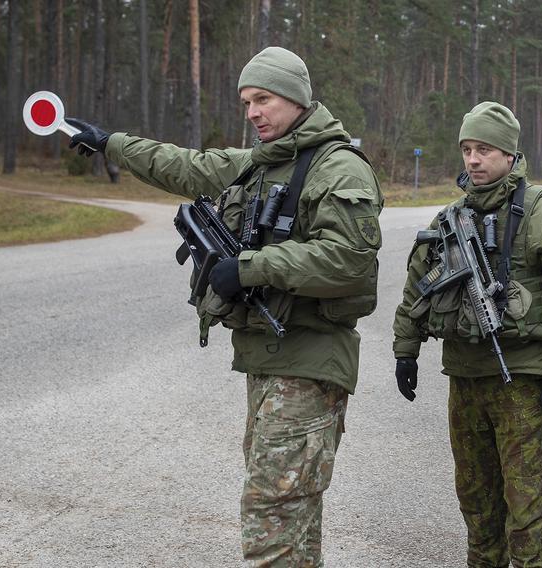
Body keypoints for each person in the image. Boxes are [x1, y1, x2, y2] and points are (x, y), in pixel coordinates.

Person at [67, 46, 383, 567]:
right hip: (269, 364)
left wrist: (250, 267)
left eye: (264, 99)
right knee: (290, 516)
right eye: (246, 102)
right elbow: (186, 166)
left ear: (297, 99)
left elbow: (347, 259)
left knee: (271, 516)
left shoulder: (337, 168)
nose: (253, 112)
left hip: (308, 364)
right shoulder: (261, 163)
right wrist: (109, 143)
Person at [392, 102, 542, 568]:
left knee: (523, 511)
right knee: (476, 505)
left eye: (483, 149)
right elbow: (415, 289)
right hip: (464, 381)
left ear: (509, 154)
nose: (472, 160)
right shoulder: (449, 218)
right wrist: (406, 350)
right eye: (466, 149)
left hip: (521, 383)